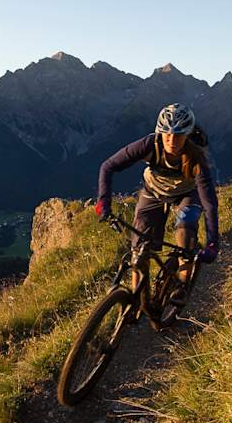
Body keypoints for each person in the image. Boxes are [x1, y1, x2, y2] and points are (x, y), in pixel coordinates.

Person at [94, 103, 219, 299]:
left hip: (187, 194)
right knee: (140, 249)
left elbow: (209, 203)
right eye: (166, 133)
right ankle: (136, 299)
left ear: (187, 134)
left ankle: (181, 290)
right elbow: (108, 166)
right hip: (153, 192)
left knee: (185, 235)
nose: (172, 139)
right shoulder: (149, 145)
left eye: (178, 134)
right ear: (159, 131)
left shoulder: (195, 159)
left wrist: (213, 242)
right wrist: (103, 202)